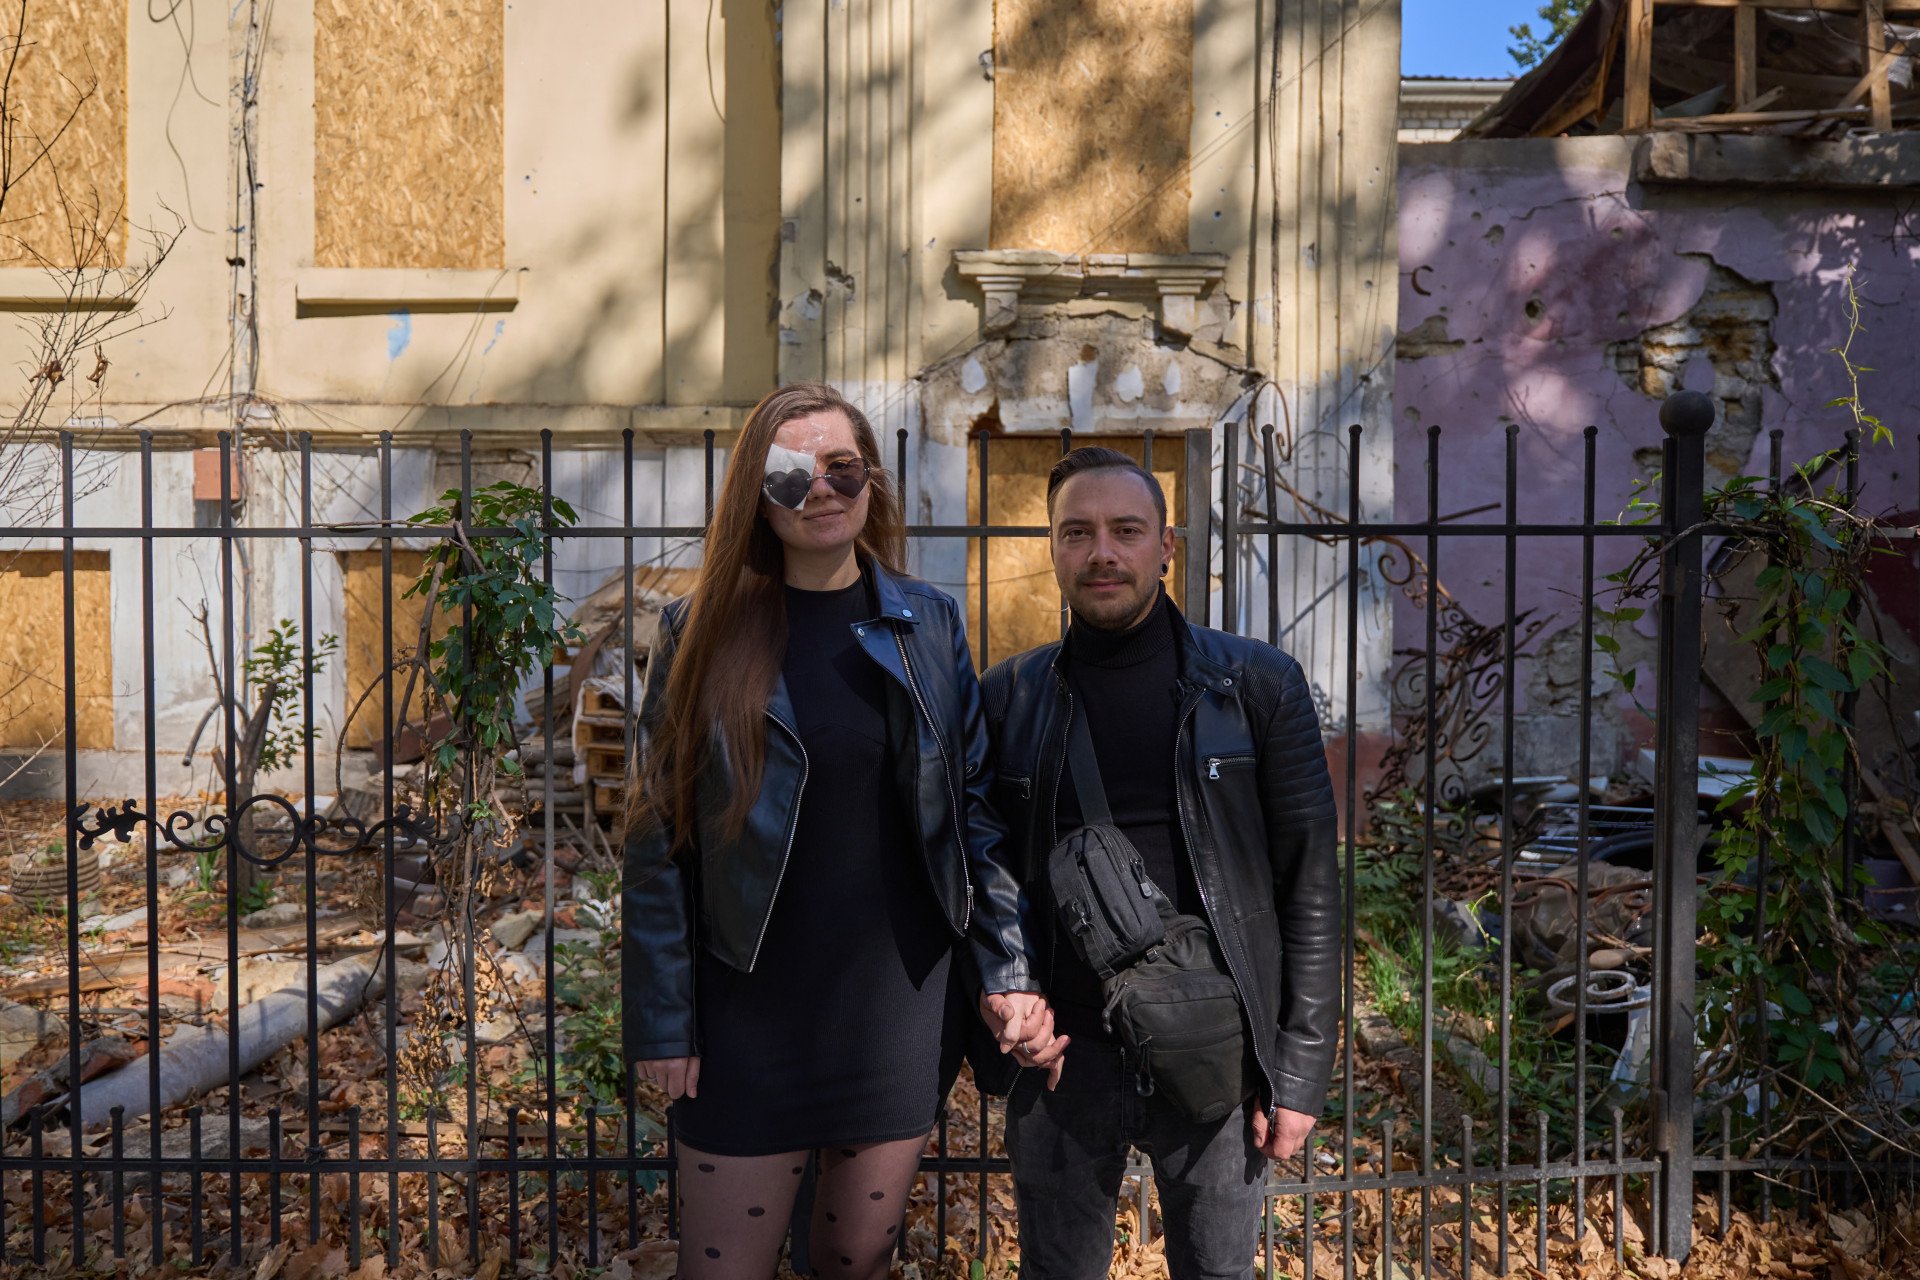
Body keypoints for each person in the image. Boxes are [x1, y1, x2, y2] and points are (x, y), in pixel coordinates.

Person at [620, 383, 1064, 1280]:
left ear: (870, 482)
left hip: (894, 1006)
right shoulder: (700, 632)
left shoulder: (926, 623)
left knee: (853, 1262)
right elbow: (659, 839)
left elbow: (973, 816)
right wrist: (664, 1021)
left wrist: (1007, 971)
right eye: (789, 476)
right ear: (757, 492)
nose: (819, 490)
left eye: (841, 468)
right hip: (746, 1004)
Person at [979, 446, 1341, 1280]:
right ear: (1054, 548)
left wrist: (1300, 1069)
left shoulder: (1254, 686)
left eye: (1126, 530)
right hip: (1062, 1049)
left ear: (1166, 546)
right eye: (1078, 532)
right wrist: (1008, 996)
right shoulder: (1010, 696)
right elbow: (985, 868)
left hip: (1217, 1042)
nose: (1102, 551)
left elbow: (1311, 884)